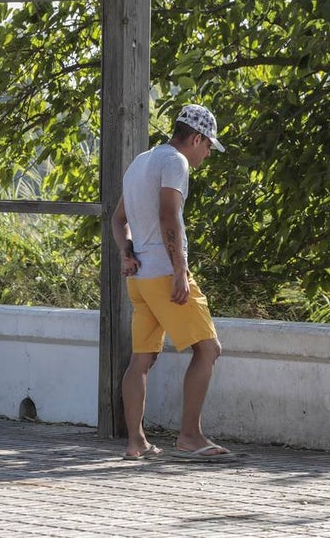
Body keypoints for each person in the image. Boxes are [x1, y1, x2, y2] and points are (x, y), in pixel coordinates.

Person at [110, 103, 238, 461]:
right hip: (165, 274)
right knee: (208, 349)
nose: (208, 153)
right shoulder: (175, 163)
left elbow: (118, 220)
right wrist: (180, 269)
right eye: (208, 145)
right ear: (195, 138)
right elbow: (170, 216)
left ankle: (136, 443)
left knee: (141, 360)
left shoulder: (141, 161)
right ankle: (190, 437)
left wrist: (126, 252)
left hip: (139, 279)